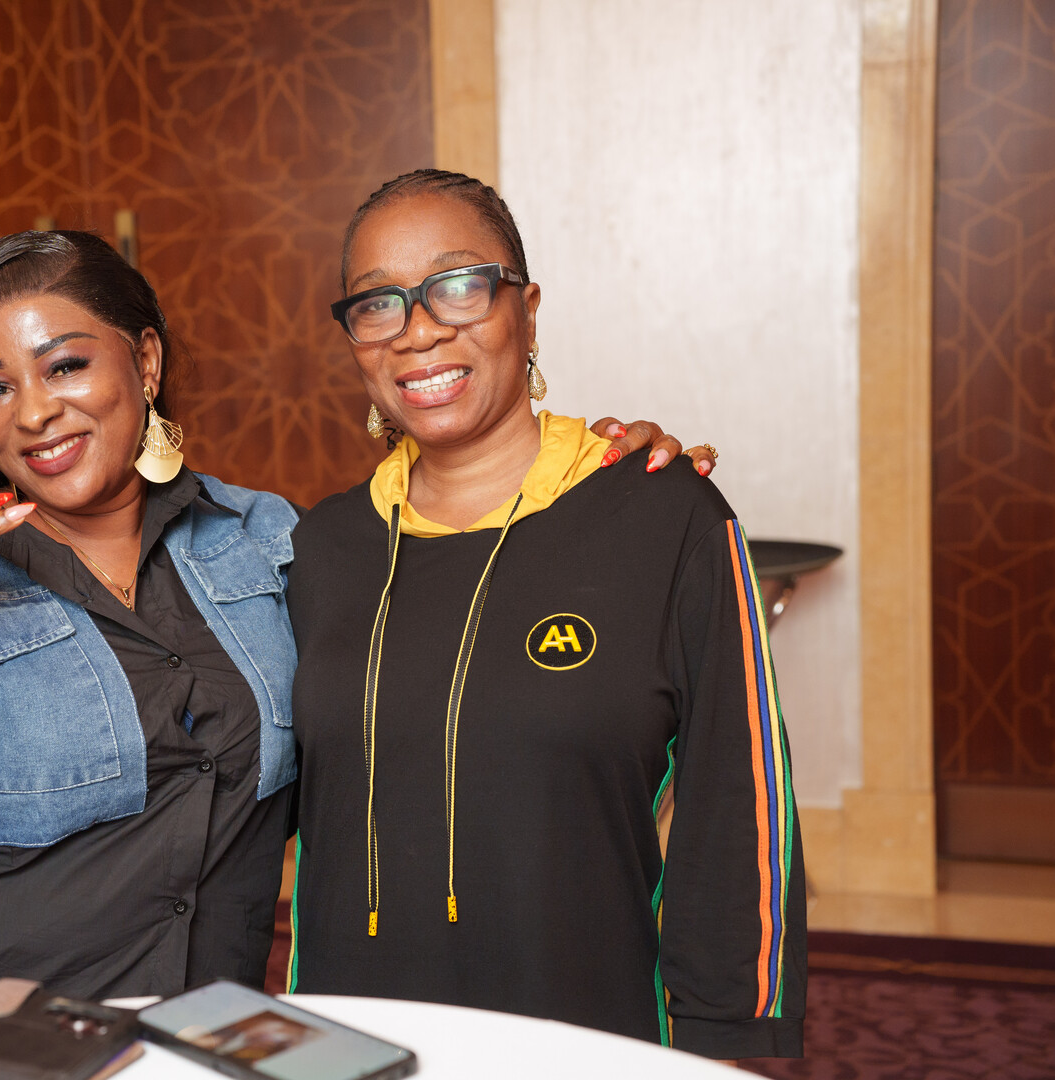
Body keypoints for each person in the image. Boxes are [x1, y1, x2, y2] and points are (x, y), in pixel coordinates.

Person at [0, 229, 706, 1017]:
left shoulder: (273, 544)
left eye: (65, 365)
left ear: (146, 361)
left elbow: (434, 662)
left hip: (191, 1038)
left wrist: (593, 480)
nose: (33, 412)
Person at [284, 170, 804, 1061]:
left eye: (457, 285)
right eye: (378, 303)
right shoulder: (317, 549)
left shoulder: (663, 515)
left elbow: (737, 801)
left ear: (525, 311)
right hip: (353, 1044)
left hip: (587, 1040)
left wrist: (724, 1038)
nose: (418, 329)